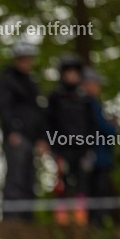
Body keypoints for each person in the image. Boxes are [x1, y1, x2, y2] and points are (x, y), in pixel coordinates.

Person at [0, 41, 46, 222]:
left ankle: (27, 219)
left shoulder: (31, 83)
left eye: (29, 59)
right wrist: (11, 130)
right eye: (23, 59)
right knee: (15, 176)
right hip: (16, 136)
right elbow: (4, 107)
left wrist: (41, 137)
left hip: (31, 138)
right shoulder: (7, 79)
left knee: (29, 177)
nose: (27, 63)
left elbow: (37, 111)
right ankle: (12, 219)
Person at [46, 53, 97, 226]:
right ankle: (61, 219)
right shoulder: (55, 98)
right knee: (62, 181)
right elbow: (49, 123)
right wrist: (53, 147)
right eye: (68, 72)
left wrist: (90, 148)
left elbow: (92, 125)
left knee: (82, 180)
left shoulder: (85, 100)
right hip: (61, 148)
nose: (71, 76)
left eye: (75, 73)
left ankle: (81, 218)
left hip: (82, 149)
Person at [82, 67, 118, 228]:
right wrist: (113, 128)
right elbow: (103, 128)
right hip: (96, 158)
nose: (98, 87)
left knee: (98, 192)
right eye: (96, 83)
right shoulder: (90, 104)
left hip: (96, 157)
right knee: (98, 192)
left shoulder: (92, 104)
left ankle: (97, 225)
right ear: (88, 84)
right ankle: (97, 226)